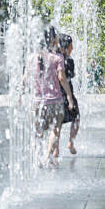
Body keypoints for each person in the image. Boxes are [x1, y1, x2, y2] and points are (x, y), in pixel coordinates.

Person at [30, 26, 74, 166]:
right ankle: (48, 157)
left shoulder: (33, 56)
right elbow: (62, 78)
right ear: (53, 39)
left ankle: (37, 158)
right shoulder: (57, 57)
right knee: (55, 130)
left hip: (37, 101)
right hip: (55, 100)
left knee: (38, 131)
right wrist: (69, 96)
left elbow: (26, 77)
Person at [58, 34, 79, 155]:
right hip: (68, 94)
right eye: (71, 46)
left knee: (58, 123)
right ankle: (71, 141)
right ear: (66, 47)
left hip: (55, 95)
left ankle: (55, 149)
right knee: (76, 117)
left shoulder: (55, 58)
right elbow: (70, 76)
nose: (73, 48)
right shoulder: (69, 60)